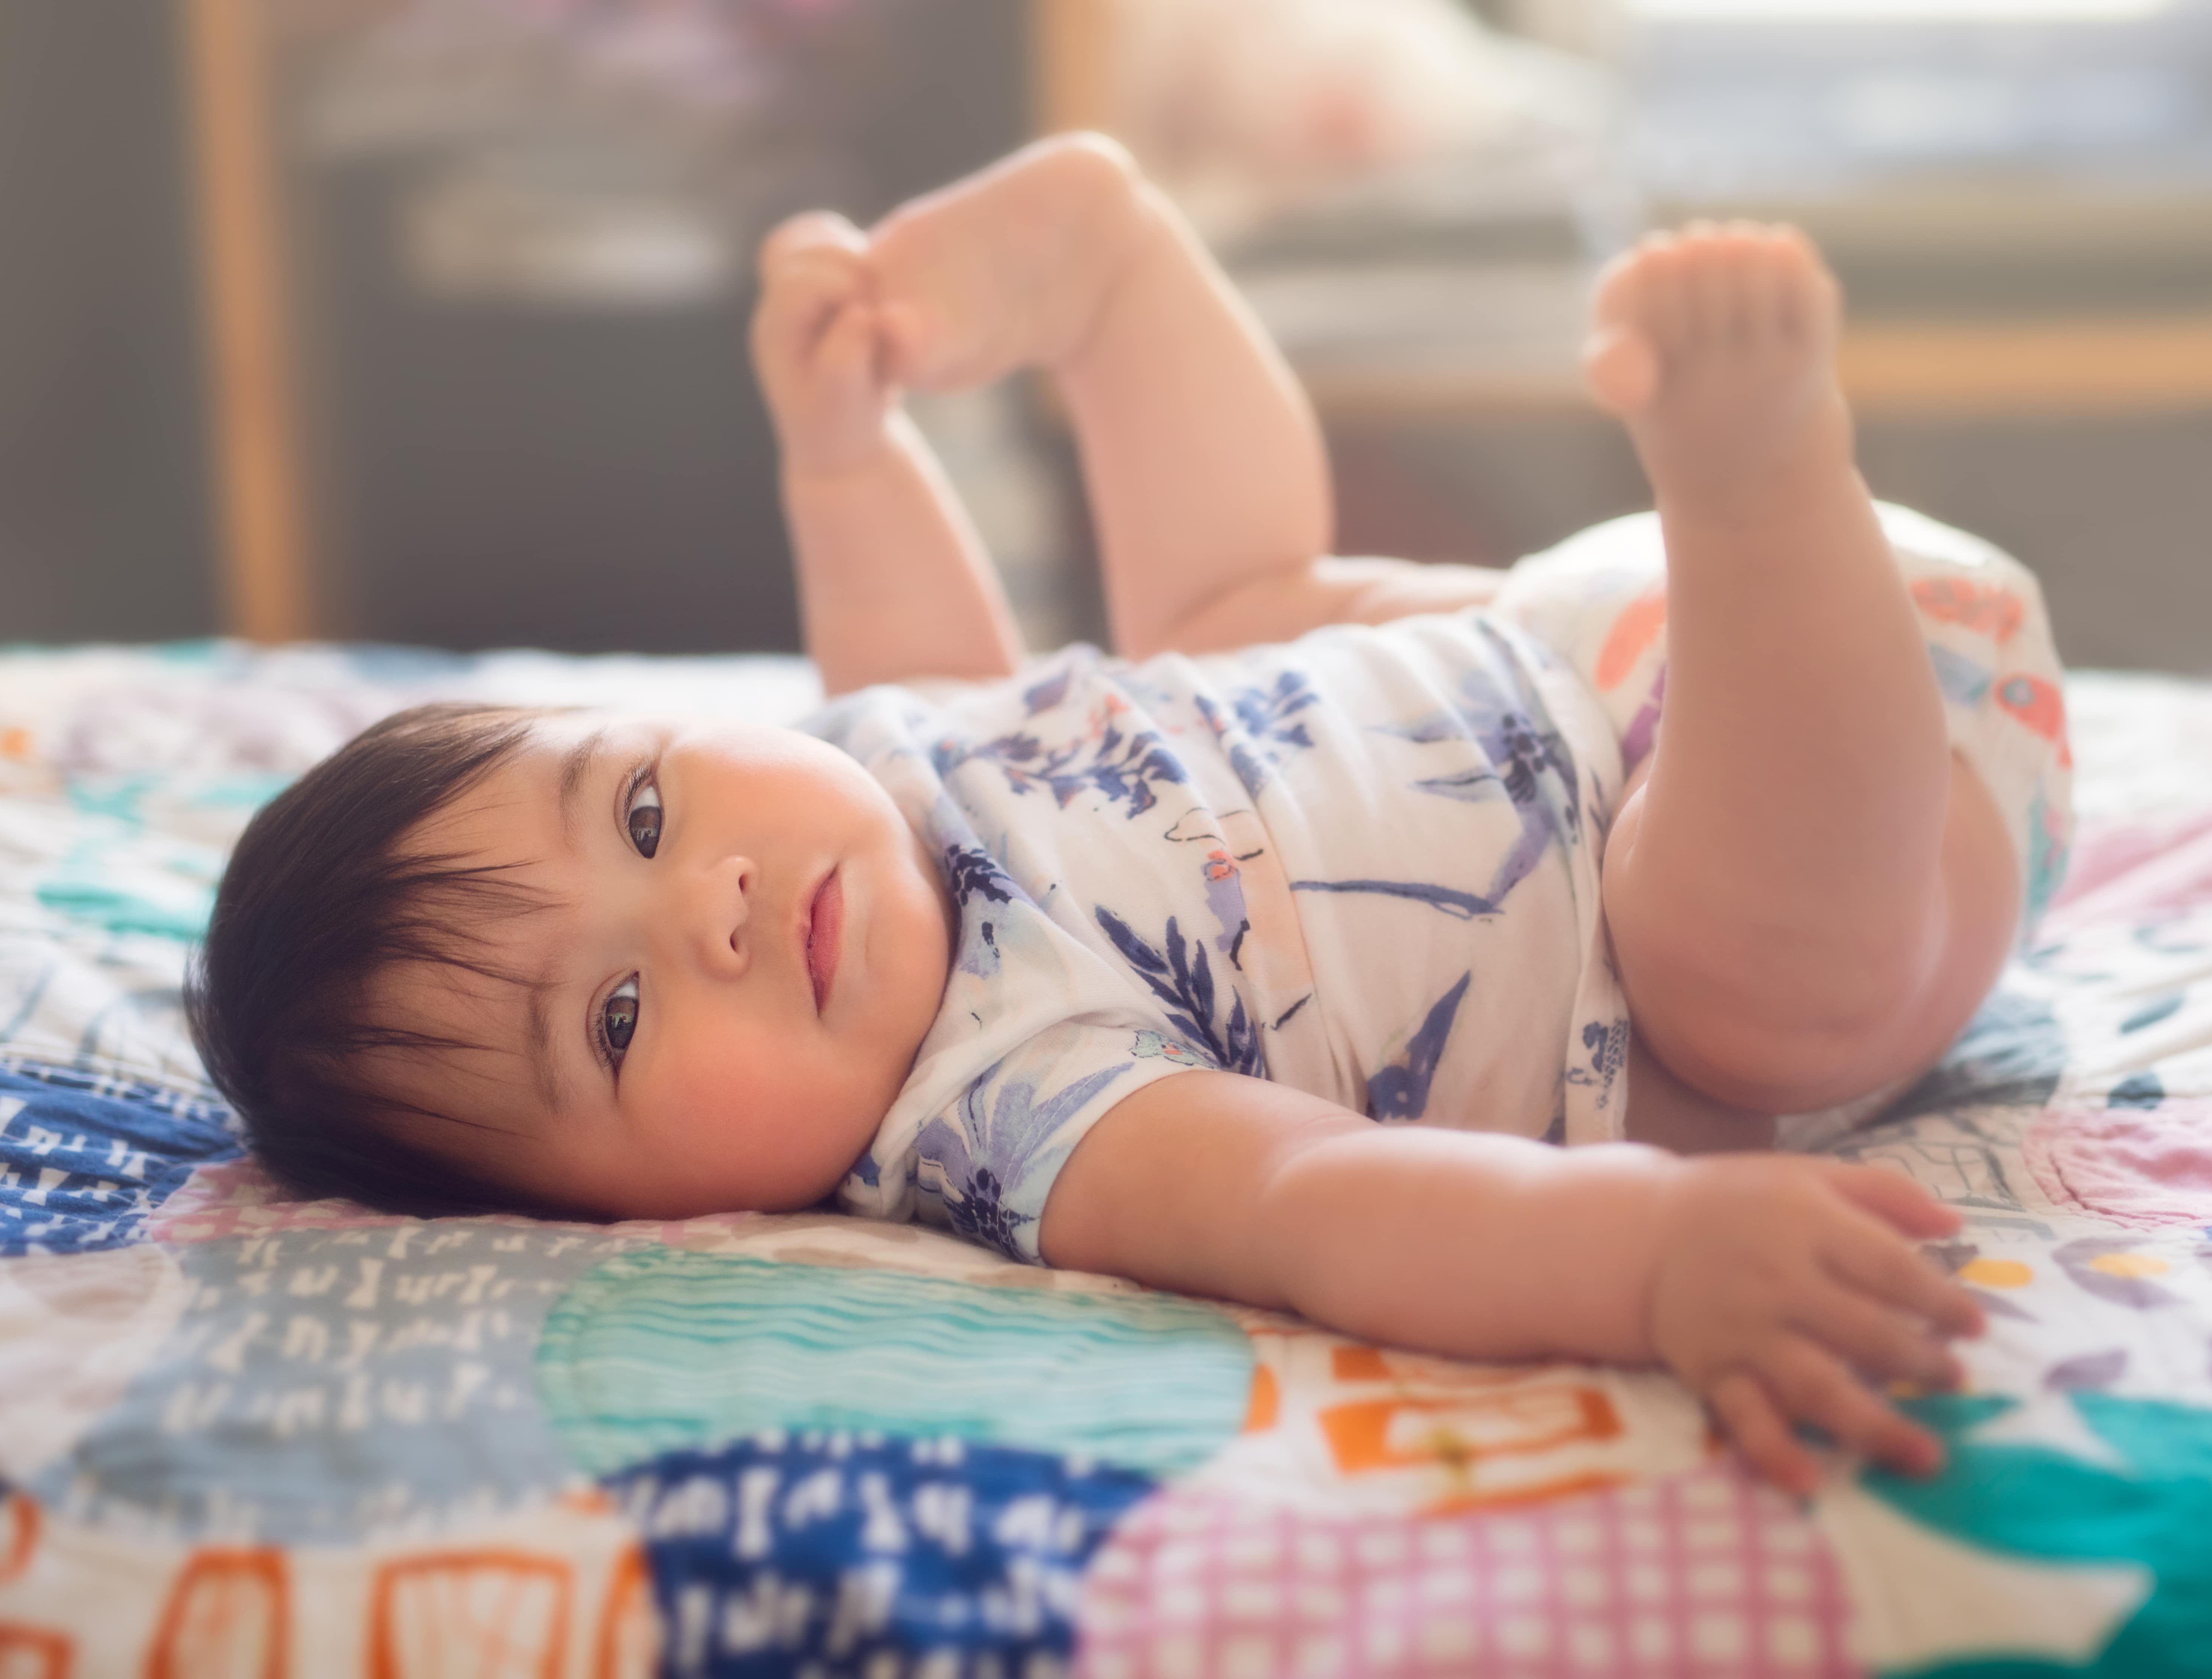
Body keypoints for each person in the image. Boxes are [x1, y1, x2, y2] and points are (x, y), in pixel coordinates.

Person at [189, 135, 2072, 1496]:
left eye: (650, 807)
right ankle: (1760, 482)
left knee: (1236, 610)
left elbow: (922, 674)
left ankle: (1110, 264)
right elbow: (1322, 1201)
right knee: (1750, 995)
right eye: (615, 1018)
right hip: (1834, 788)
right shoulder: (1013, 1110)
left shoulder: (880, 773)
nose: (718, 906)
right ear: (597, 1220)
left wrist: (845, 457)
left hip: (1582, 635)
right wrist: (1646, 1257)